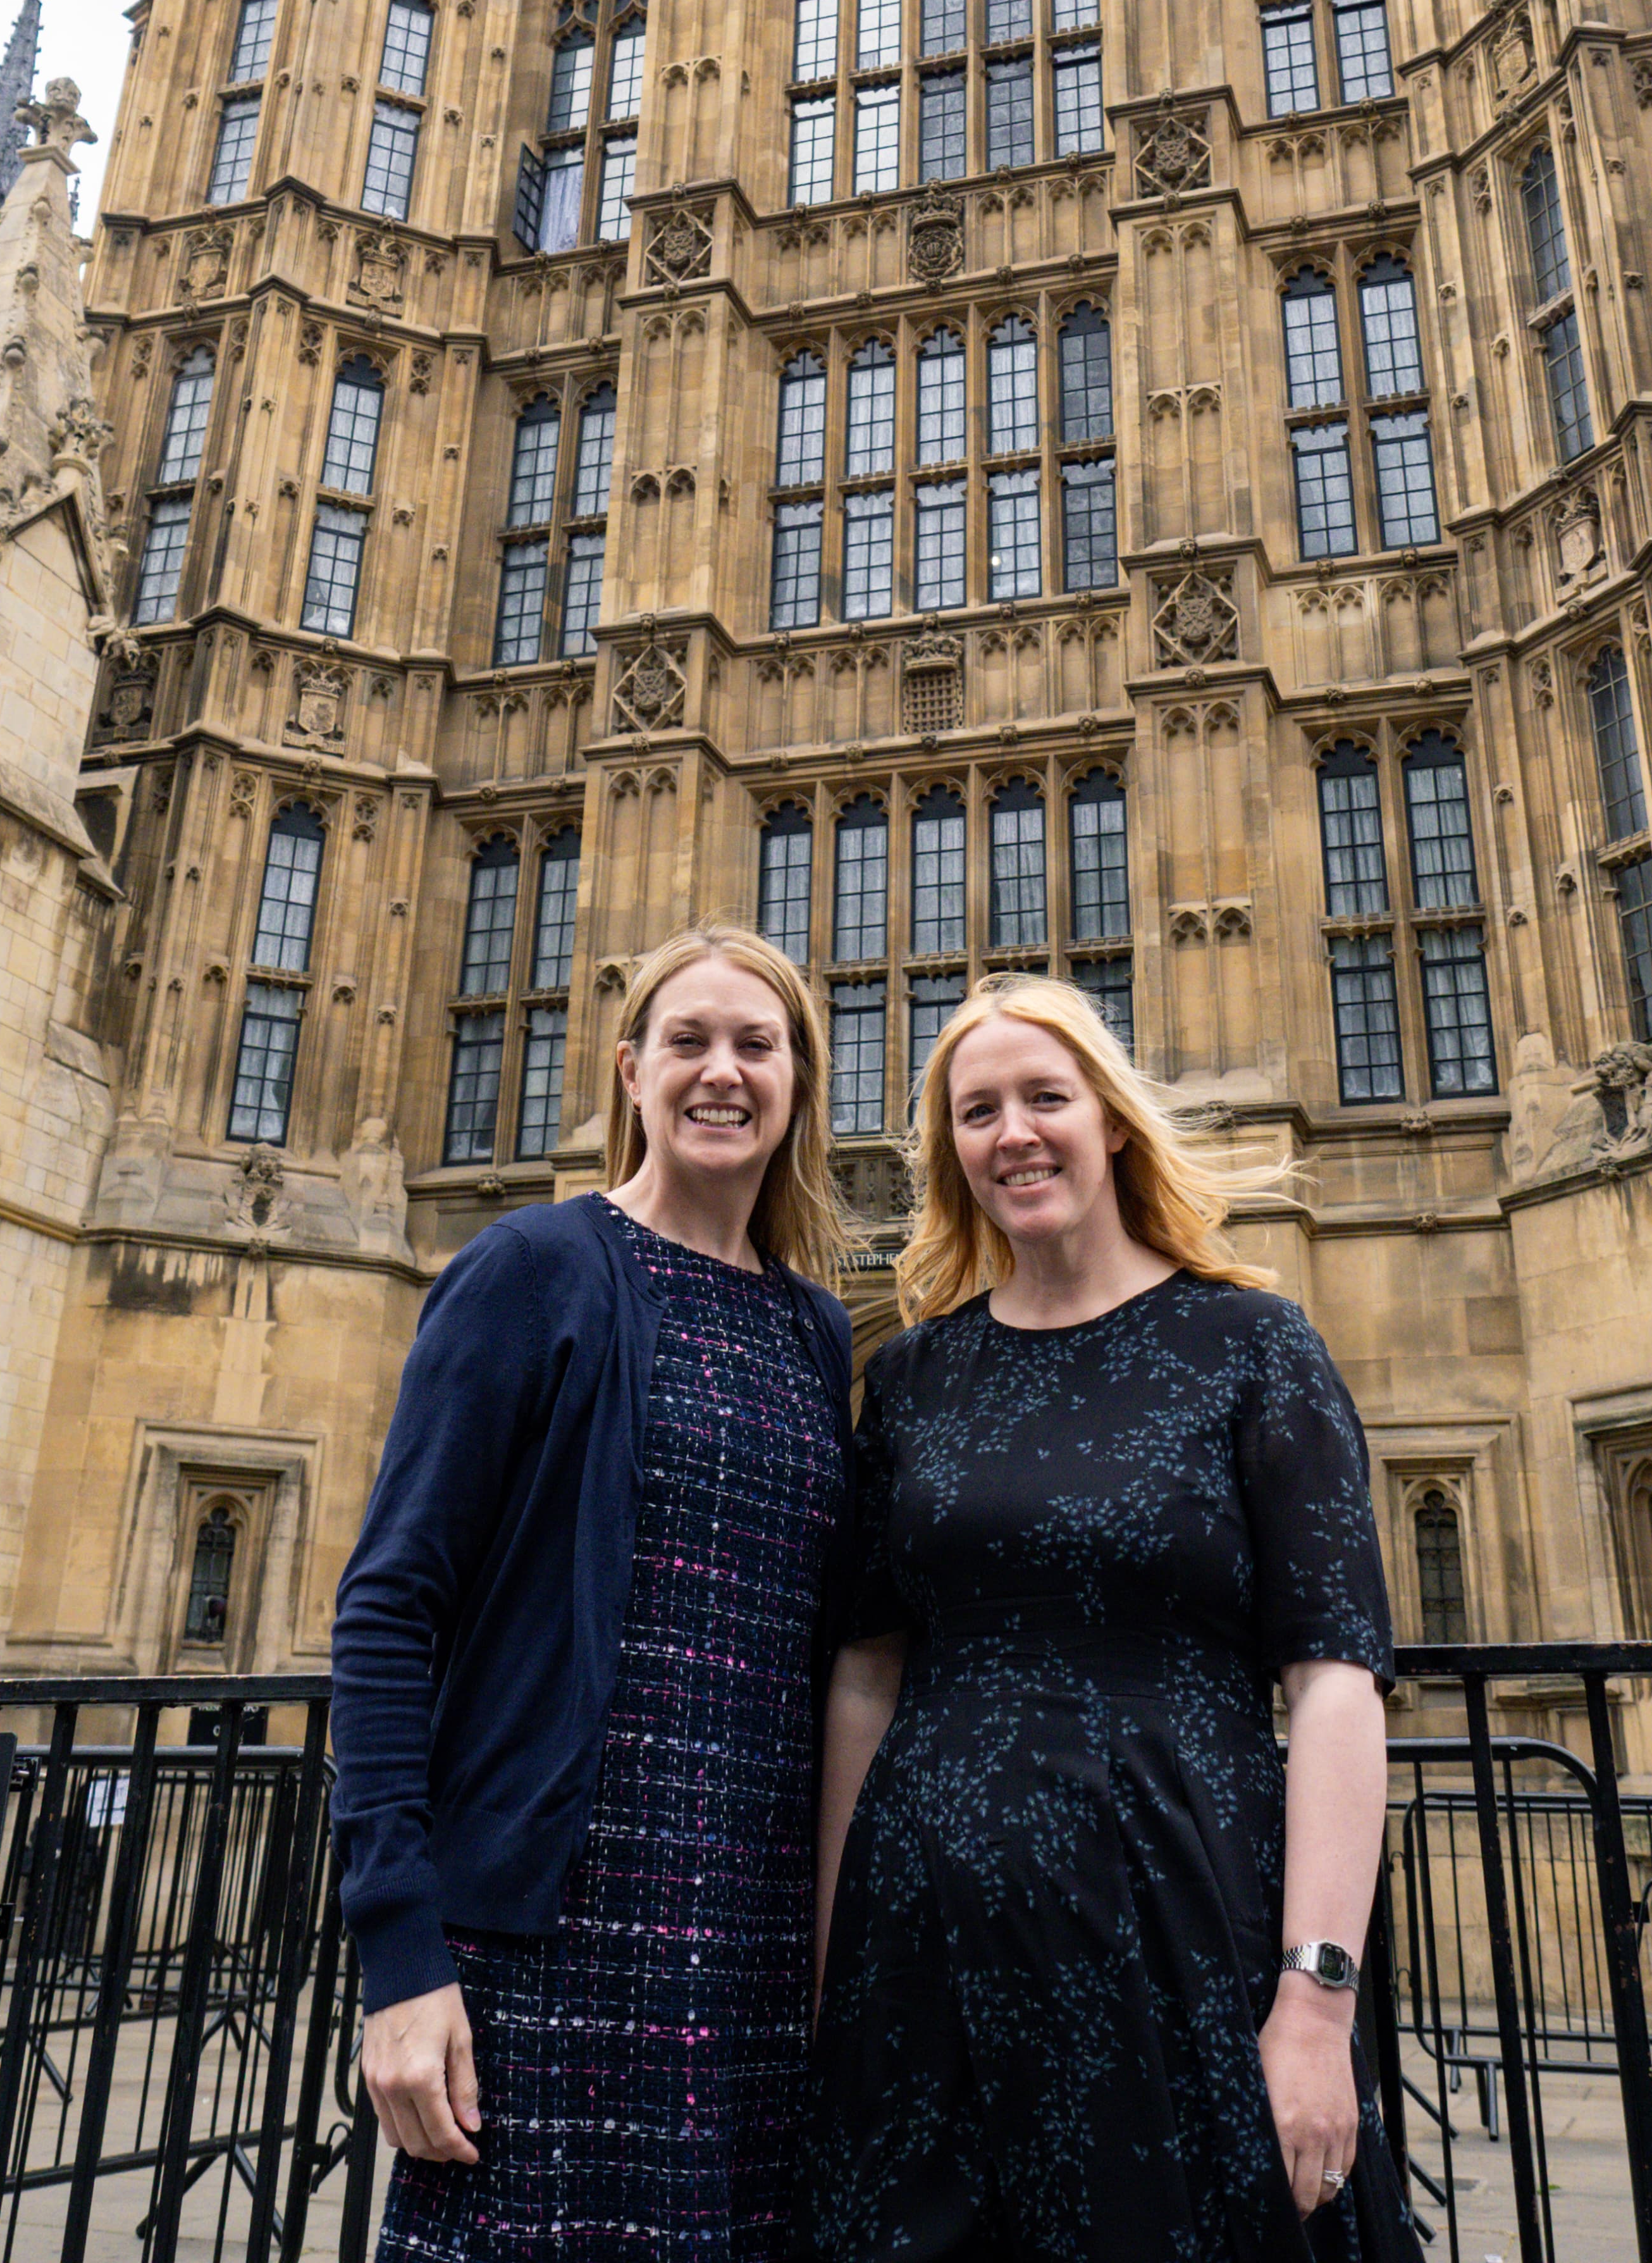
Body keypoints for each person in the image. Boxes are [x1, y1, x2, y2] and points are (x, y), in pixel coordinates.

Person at [801, 976, 1412, 2261]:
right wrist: (830, 1962)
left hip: (1180, 1922)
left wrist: (1314, 2002)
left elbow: (1337, 1684)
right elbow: (864, 1676)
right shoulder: (912, 1375)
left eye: (1044, 1097)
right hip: (927, 1946)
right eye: (977, 1112)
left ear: (1114, 1121)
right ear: (951, 1153)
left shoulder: (1251, 1345)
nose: (1012, 1133)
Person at [333, 922, 854, 2260]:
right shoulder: (536, 1268)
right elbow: (390, 1608)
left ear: (799, 1079)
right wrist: (401, 1960)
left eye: (757, 1043)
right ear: (631, 1072)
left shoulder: (815, 1327)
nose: (722, 1071)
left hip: (747, 1953)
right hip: (553, 1944)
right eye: (689, 1041)